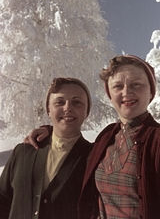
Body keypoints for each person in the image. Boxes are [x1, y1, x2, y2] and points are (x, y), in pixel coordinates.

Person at [24, 55, 160, 219]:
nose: (126, 92)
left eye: (136, 84)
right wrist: (51, 132)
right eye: (117, 86)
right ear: (110, 94)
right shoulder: (107, 136)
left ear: (151, 91)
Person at [0, 77, 93, 219]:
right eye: (59, 102)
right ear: (48, 110)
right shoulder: (24, 152)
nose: (68, 107)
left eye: (77, 102)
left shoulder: (94, 157)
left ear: (87, 111)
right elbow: (3, 199)